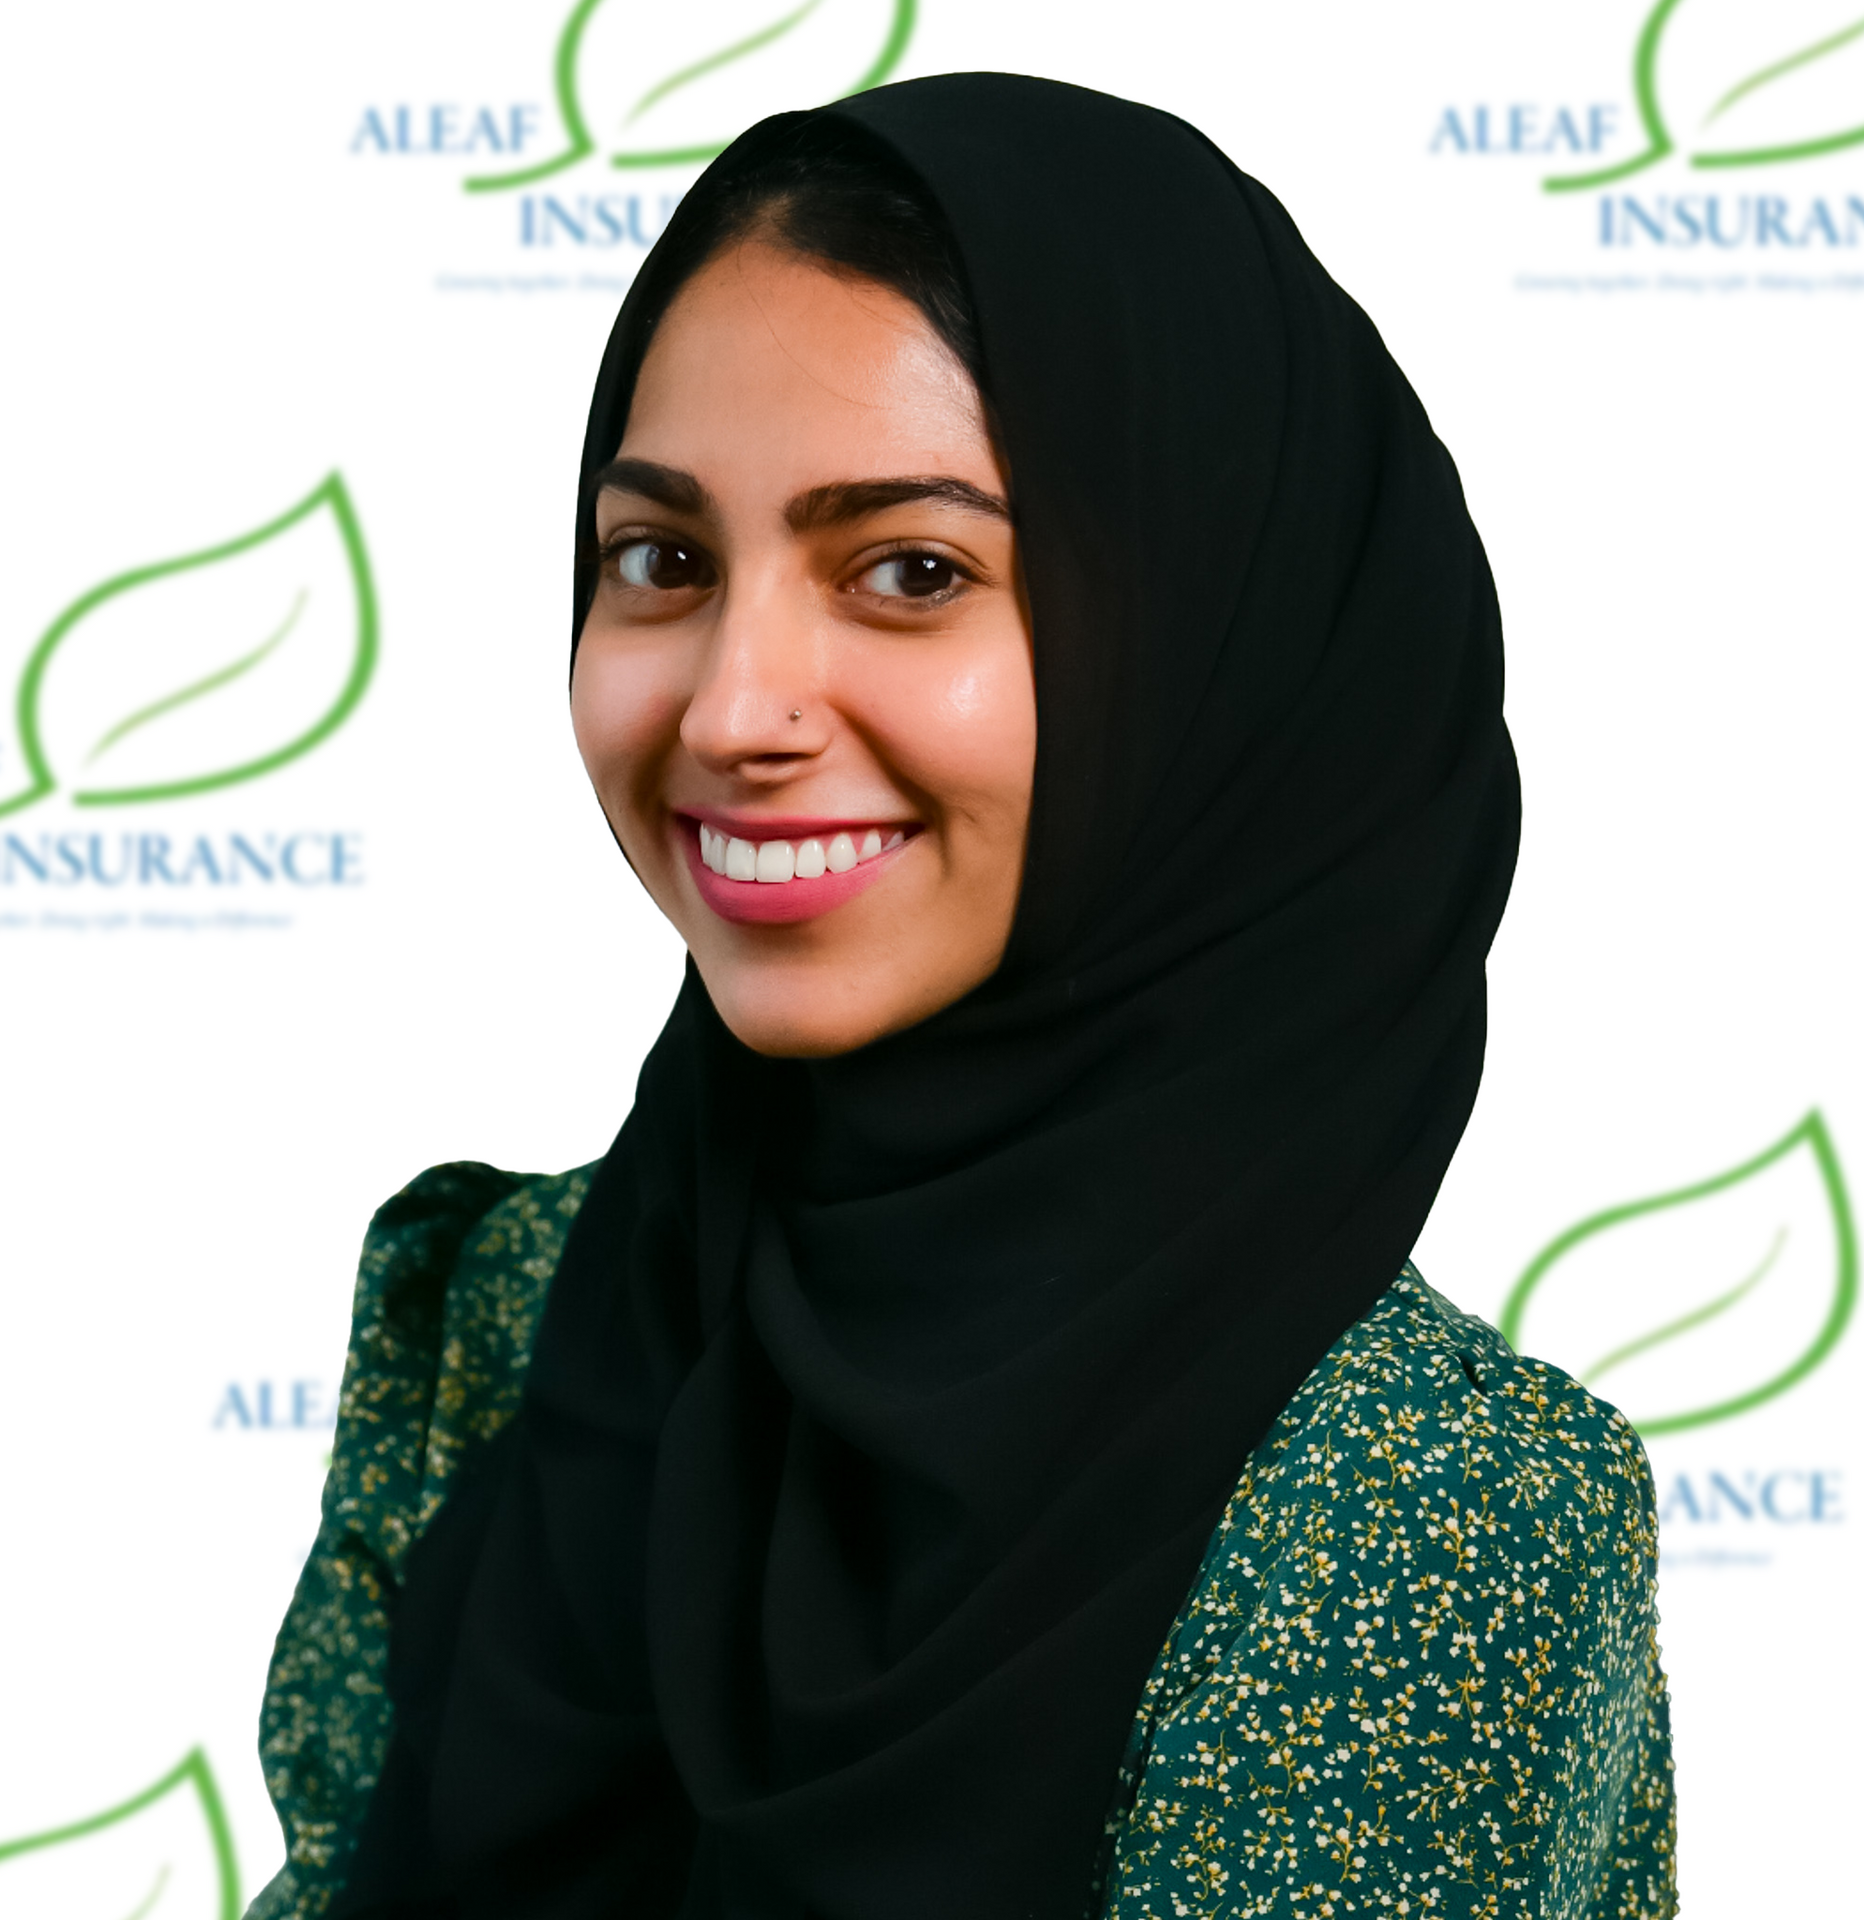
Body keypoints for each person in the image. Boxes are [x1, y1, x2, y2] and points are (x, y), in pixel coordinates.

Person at [248, 74, 1674, 1920]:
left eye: (910, 571)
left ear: (1206, 659)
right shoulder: (513, 1314)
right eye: (662, 561)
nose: (731, 707)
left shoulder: (1415, 1510)